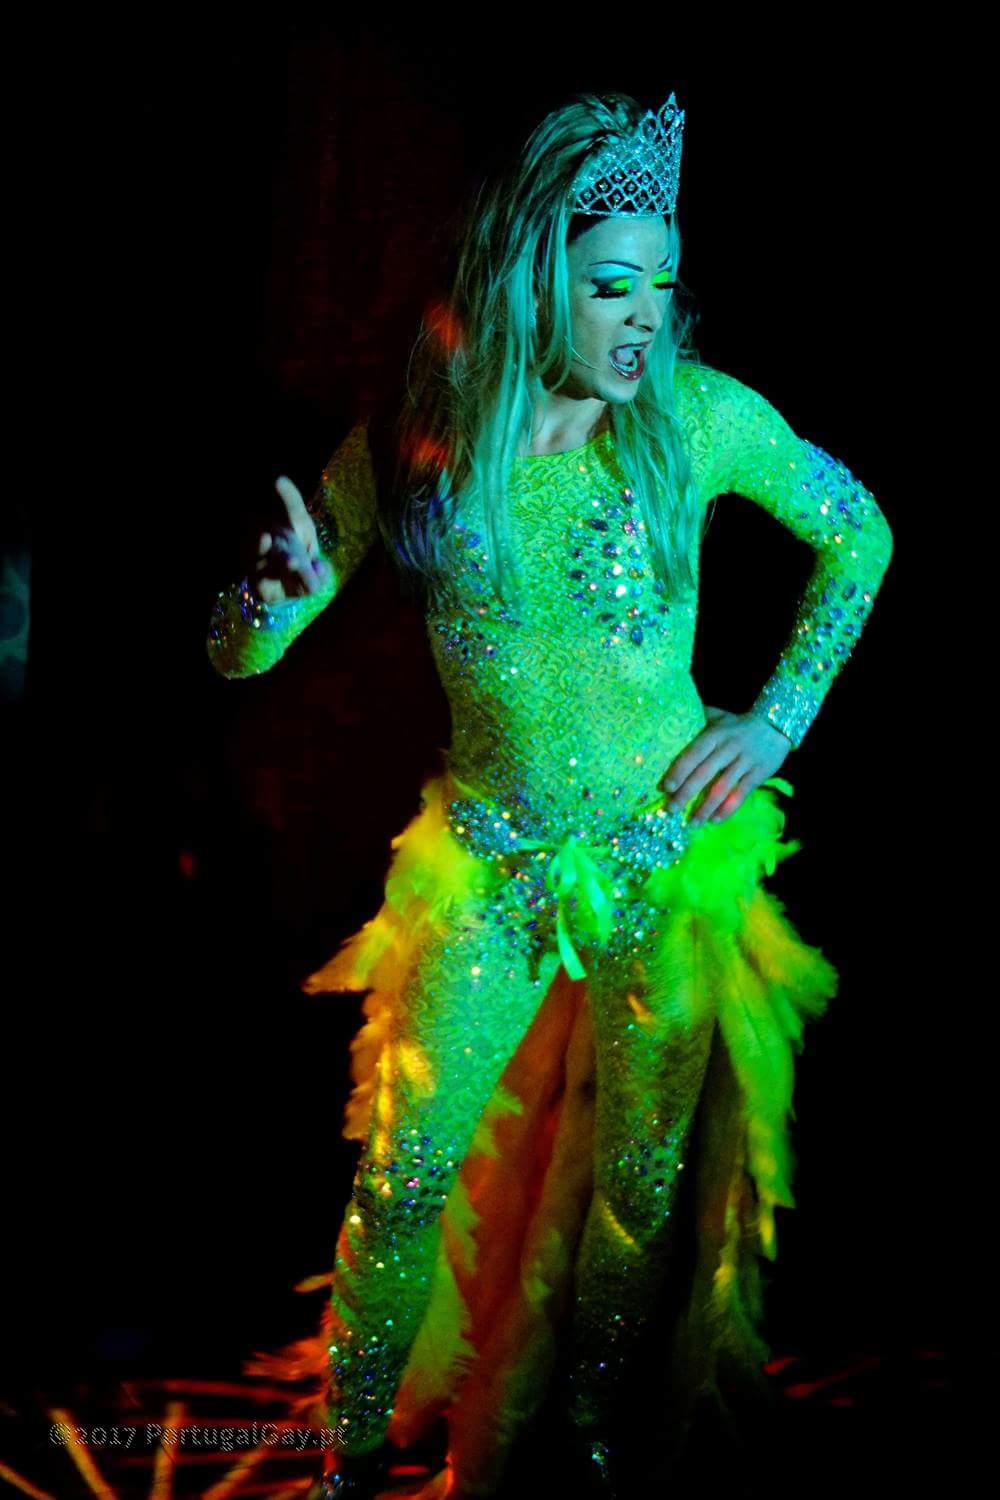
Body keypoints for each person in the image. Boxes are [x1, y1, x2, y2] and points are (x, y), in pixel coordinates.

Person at [206, 91, 893, 1499]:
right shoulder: (415, 441)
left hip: (667, 862)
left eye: (663, 283)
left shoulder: (697, 419)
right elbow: (241, 654)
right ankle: (346, 1456)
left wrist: (774, 720)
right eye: (612, 285)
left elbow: (860, 535)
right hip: (489, 868)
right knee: (404, 1172)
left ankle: (583, 1449)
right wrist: (261, 604)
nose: (647, 318)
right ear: (530, 279)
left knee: (635, 1189)